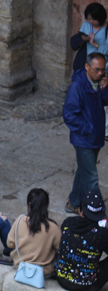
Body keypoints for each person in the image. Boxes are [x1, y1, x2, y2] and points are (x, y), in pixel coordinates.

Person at [63, 52, 108, 215]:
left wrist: (106, 86)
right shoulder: (78, 86)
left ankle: (73, 202)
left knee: (84, 170)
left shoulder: (99, 82)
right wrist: (87, 130)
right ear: (87, 67)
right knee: (91, 178)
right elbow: (69, 115)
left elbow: (105, 100)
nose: (100, 73)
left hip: (95, 137)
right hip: (84, 140)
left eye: (103, 70)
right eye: (97, 70)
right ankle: (97, 214)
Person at [55, 188, 108, 291]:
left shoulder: (67, 223)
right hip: (85, 287)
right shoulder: (101, 234)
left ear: (81, 211)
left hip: (61, 278)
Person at [8, 188, 61, 278]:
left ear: (29, 204)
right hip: (43, 272)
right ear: (47, 205)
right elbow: (60, 249)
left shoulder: (20, 220)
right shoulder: (54, 228)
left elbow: (10, 244)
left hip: (21, 266)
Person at [72, 3, 108, 77]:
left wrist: (95, 44)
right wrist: (82, 39)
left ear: (100, 17)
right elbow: (75, 43)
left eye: (94, 19)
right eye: (89, 19)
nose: (91, 21)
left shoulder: (106, 29)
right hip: (83, 63)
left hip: (99, 65)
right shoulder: (86, 25)